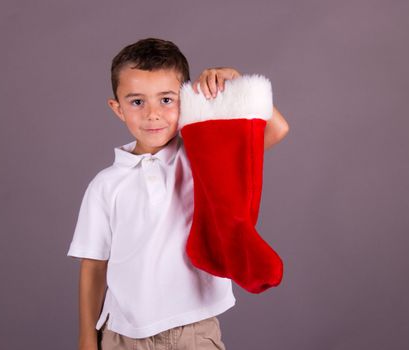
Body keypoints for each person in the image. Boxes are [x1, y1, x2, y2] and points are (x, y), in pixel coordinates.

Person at [66, 37, 289, 350]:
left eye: (166, 100)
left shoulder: (203, 161)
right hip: (124, 336)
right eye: (137, 102)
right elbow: (93, 266)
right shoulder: (105, 185)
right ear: (117, 108)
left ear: (185, 101)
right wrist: (87, 338)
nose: (153, 114)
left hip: (194, 331)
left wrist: (238, 82)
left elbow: (276, 130)